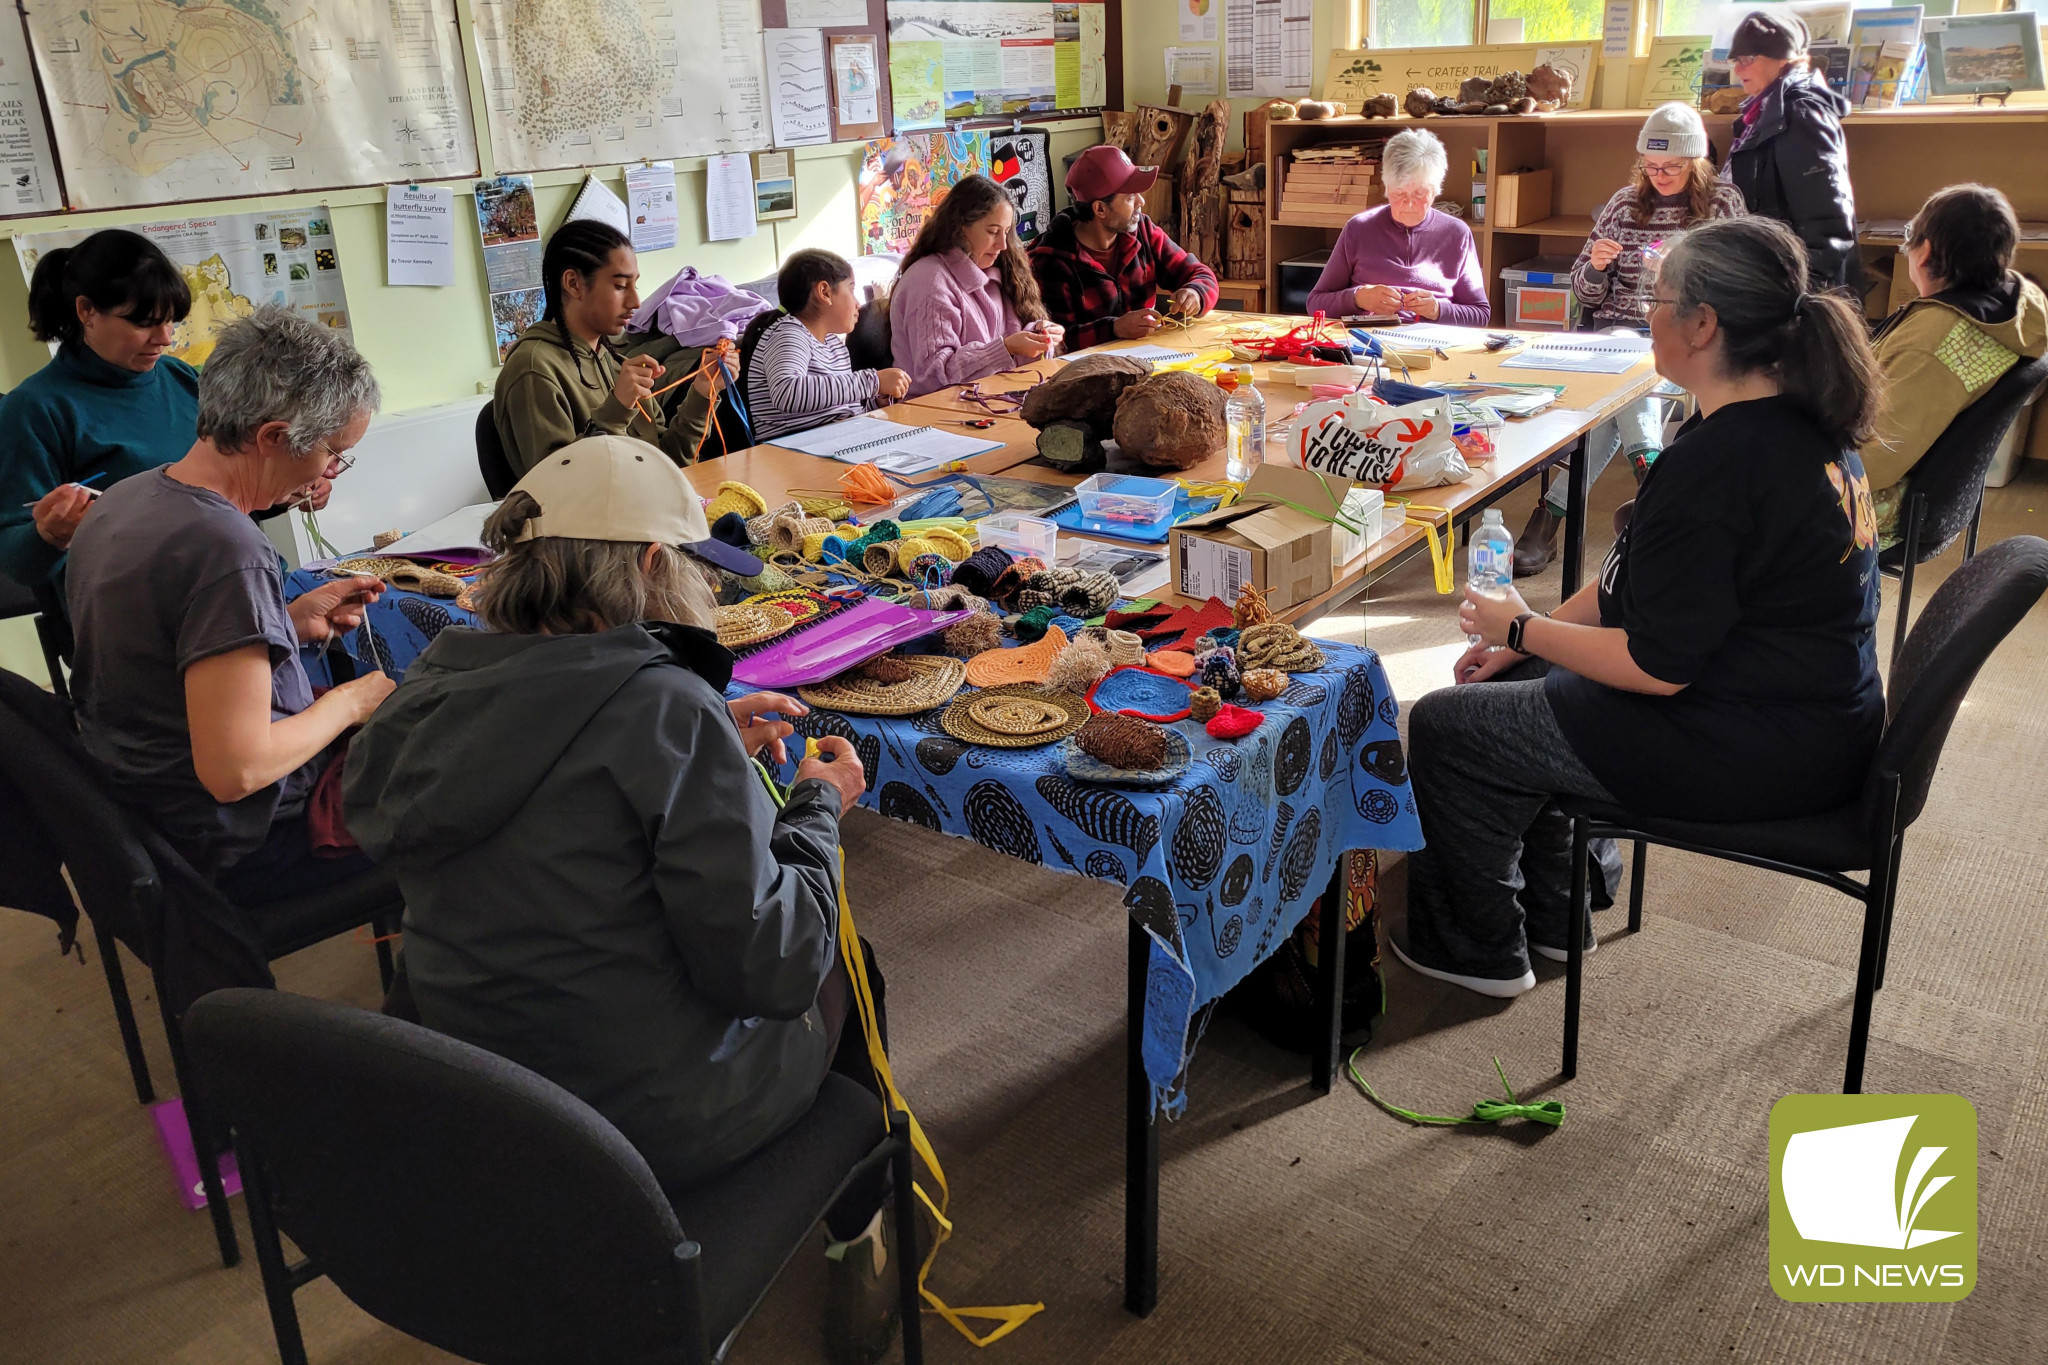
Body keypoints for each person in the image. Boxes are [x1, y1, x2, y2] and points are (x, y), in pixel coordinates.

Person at [339, 435, 901, 1364]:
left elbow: (551, 761)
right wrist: (816, 808)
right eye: (686, 566)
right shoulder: (662, 707)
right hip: (643, 1121)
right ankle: (857, 1228)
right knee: (850, 963)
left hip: (474, 1091)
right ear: (649, 566)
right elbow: (773, 965)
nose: (698, 588)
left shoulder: (427, 688)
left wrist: (701, 744)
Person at [1394, 218, 1884, 997]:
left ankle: (1475, 950)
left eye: (1656, 300)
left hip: (1757, 747)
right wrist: (1531, 641)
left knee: (1449, 727)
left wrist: (1520, 626)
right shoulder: (1789, 421)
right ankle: (1557, 919)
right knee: (1514, 684)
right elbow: (1634, 583)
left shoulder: (1721, 465)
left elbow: (1655, 665)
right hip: (1801, 715)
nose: (1643, 316)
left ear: (1702, 324)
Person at [64, 307, 393, 899]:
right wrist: (350, 702)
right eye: (332, 454)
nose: (331, 472)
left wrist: (285, 624)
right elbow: (236, 771)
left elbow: (162, 655)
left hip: (144, 801)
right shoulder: (226, 548)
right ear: (271, 438)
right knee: (474, 788)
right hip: (239, 836)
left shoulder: (126, 497)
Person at [1515, 104, 1748, 576]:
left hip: (1690, 329)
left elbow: (1740, 282)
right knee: (1629, 353)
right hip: (1623, 330)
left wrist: (1683, 275)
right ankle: (1652, 475)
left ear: (1696, 163)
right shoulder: (1625, 204)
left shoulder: (1723, 204)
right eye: (1651, 166)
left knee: (1628, 380)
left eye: (1673, 167)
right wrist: (1597, 265)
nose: (1659, 176)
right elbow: (1582, 290)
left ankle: (1548, 519)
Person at [0, 230, 200, 587]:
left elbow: (226, 484)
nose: (166, 338)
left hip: (221, 580)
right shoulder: (35, 409)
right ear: (87, 311)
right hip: (134, 610)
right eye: (144, 323)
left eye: (171, 320)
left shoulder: (180, 377)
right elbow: (16, 561)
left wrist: (285, 491)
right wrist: (50, 535)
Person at [1863, 184, 2047, 547]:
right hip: (1937, 491)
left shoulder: (1933, 345)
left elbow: (1874, 464)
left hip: (1884, 507)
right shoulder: (2018, 303)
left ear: (1925, 250)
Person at [493, 220, 721, 479]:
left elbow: (668, 464)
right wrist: (618, 407)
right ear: (574, 284)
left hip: (646, 507)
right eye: (620, 286)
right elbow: (559, 486)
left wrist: (703, 392)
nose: (635, 301)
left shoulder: (614, 361)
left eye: (634, 285)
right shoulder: (533, 368)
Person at [888, 173, 1064, 398]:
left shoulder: (1000, 275)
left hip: (988, 402)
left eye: (1007, 232)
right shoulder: (930, 282)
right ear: (961, 227)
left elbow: (1011, 361)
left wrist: (1036, 338)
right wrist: (1006, 348)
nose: (1002, 244)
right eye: (992, 232)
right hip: (932, 413)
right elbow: (935, 377)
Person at [1027, 144, 1219, 349]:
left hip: (1149, 359)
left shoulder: (1143, 230)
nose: (1141, 201)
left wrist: (1195, 293)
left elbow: (1202, 274)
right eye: (1130, 197)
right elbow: (1055, 342)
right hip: (1086, 373)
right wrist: (1114, 329)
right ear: (1100, 208)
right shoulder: (1051, 260)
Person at [1722, 9, 1858, 292]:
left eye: (1748, 59)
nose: (1738, 69)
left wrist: (1804, 298)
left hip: (1793, 287)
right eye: (1736, 60)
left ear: (1783, 58)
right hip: (1768, 274)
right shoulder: (1763, 112)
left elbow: (1826, 221)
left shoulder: (1801, 113)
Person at [1306, 129, 1488, 327]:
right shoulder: (1358, 229)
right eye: (1399, 193)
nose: (1408, 204)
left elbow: (1480, 315)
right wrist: (1358, 298)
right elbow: (1315, 303)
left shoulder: (1457, 233)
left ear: (1435, 190)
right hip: (1368, 341)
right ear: (1386, 187)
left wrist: (1438, 310)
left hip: (1434, 343)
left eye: (1419, 193)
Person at [739, 248, 910, 444]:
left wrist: (876, 398)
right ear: (825, 293)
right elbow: (787, 392)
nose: (857, 304)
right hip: (793, 453)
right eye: (851, 290)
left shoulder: (834, 346)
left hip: (835, 443)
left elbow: (840, 407)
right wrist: (873, 382)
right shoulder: (789, 334)